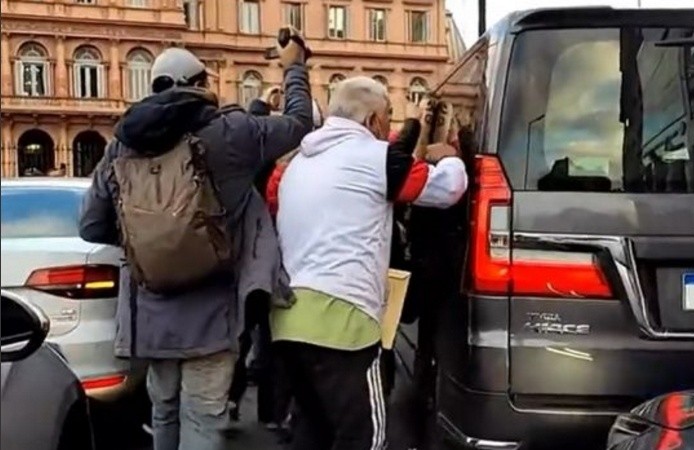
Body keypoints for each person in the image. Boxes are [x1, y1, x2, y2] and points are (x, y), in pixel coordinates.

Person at [78, 32, 313, 450]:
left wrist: (150, 239)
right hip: (213, 313)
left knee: (164, 410)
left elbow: (92, 225)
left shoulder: (121, 145)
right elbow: (298, 123)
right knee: (203, 418)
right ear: (201, 84)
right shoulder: (232, 132)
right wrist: (294, 66)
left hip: (151, 313)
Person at [269, 76, 468, 450]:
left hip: (287, 322)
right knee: (365, 437)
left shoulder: (297, 163)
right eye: (389, 115)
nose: (390, 124)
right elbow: (448, 189)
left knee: (311, 430)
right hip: (344, 322)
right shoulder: (377, 159)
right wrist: (451, 158)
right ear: (374, 119)